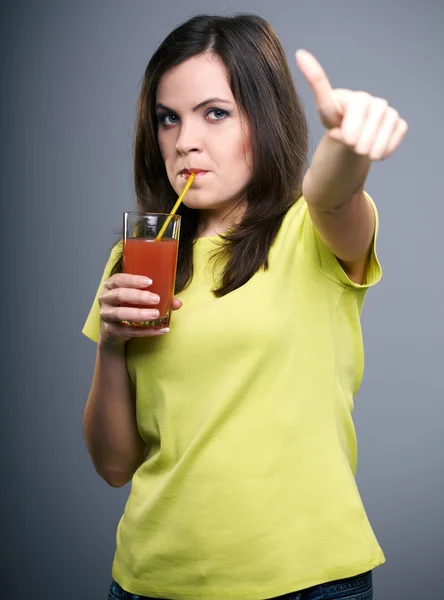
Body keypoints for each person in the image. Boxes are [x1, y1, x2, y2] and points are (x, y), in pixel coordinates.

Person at [82, 13, 407, 600]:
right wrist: (110, 346)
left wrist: (345, 142)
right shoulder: (139, 258)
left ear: (264, 117)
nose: (185, 142)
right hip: (149, 582)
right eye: (167, 120)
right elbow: (113, 467)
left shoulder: (310, 232)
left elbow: (332, 192)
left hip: (306, 583)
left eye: (215, 113)